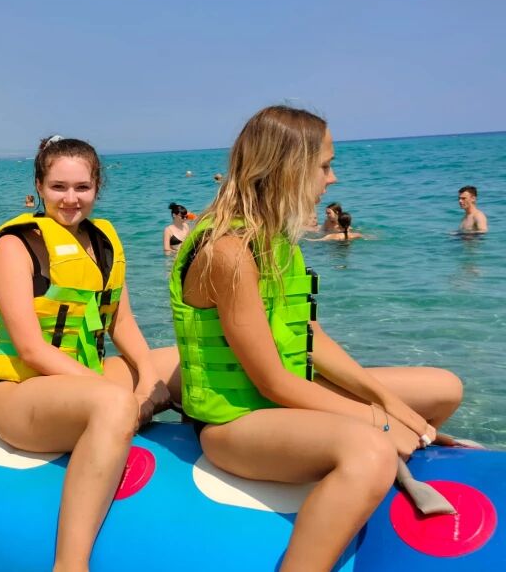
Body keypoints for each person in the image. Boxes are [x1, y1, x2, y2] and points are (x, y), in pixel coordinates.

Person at [169, 105, 465, 571]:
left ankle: (355, 496)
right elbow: (272, 383)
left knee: (444, 388)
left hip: (286, 399)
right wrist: (381, 424)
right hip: (235, 424)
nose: (333, 178)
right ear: (289, 168)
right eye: (325, 166)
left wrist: (393, 406)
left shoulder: (277, 239)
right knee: (370, 450)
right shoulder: (228, 252)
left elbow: (310, 338)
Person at [0, 136, 180, 571]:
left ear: (97, 187)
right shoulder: (16, 245)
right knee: (113, 402)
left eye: (82, 187)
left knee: (179, 365)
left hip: (85, 379)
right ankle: (70, 563)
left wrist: (150, 379)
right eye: (58, 187)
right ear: (39, 185)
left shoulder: (103, 239)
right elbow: (31, 348)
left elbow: (121, 322)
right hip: (23, 393)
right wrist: (126, 397)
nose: (70, 199)